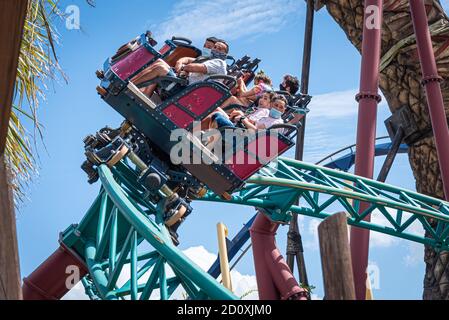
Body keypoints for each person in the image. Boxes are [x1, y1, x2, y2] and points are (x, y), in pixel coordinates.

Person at [131, 39, 229, 98]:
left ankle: (130, 85)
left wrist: (184, 69)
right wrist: (181, 63)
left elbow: (193, 67)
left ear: (225, 54)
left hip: (184, 92)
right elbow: (187, 60)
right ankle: (133, 84)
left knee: (161, 68)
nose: (215, 50)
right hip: (184, 88)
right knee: (160, 62)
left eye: (219, 49)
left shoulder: (219, 62)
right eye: (215, 47)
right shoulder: (210, 60)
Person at [211, 94, 287, 131]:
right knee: (216, 110)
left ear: (284, 110)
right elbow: (255, 124)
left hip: (242, 138)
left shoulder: (277, 123)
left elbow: (256, 131)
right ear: (270, 105)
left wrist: (243, 119)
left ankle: (206, 140)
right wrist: (244, 118)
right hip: (242, 131)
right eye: (276, 105)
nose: (277, 108)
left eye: (281, 107)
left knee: (217, 114)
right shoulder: (268, 117)